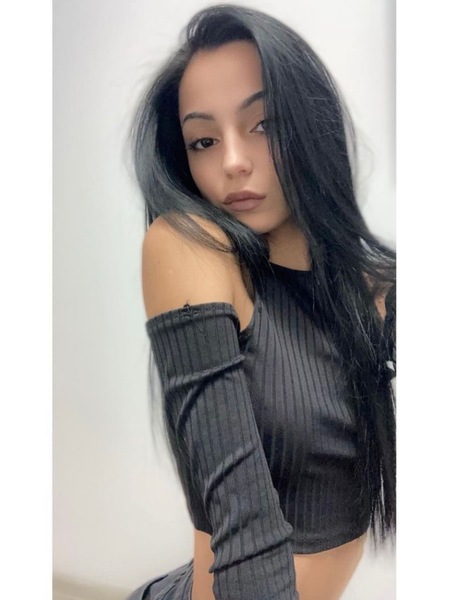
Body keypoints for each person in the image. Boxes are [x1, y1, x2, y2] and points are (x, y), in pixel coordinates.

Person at [126, 4, 396, 600]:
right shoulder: (187, 247)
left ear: (312, 121)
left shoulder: (378, 289)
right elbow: (245, 537)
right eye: (203, 140)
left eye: (264, 124)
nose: (232, 161)